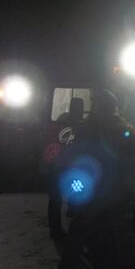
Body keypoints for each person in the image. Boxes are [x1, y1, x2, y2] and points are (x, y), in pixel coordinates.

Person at [55, 89, 135, 269]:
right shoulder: (125, 128)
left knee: (77, 235)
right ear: (114, 106)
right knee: (124, 236)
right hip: (119, 191)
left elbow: (72, 157)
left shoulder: (85, 129)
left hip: (92, 191)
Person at [42, 97, 85, 239]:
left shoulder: (59, 122)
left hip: (59, 166)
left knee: (57, 199)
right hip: (70, 167)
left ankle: (57, 230)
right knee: (75, 195)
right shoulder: (81, 125)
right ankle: (72, 231)